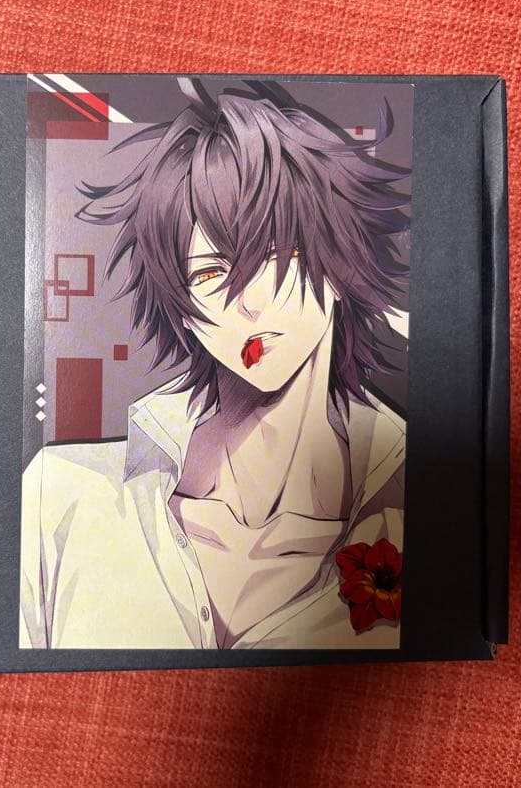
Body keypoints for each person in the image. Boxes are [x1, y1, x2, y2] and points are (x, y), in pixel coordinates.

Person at [20, 80, 410, 650]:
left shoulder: (418, 503)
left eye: (280, 256)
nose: (248, 302)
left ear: (339, 266)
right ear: (184, 313)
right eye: (208, 273)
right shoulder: (62, 497)